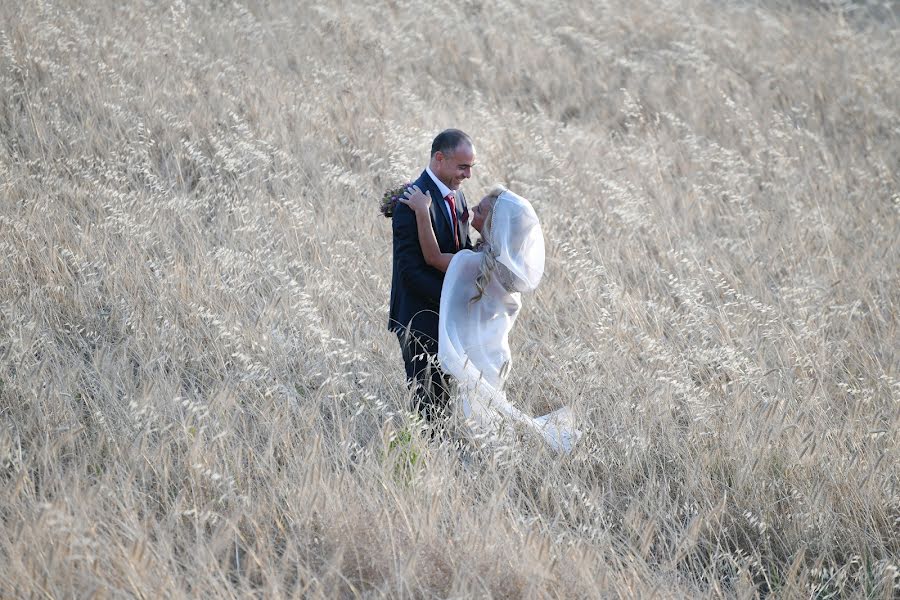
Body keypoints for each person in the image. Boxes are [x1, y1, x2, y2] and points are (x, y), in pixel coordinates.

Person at [400, 185, 579, 453]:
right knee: (490, 417)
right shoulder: (509, 270)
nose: (472, 210)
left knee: (479, 422)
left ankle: (494, 462)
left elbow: (433, 257)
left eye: (480, 210)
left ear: (494, 223)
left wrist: (423, 211)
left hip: (477, 356)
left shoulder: (477, 264)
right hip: (496, 354)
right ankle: (503, 459)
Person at [388, 129, 475, 424]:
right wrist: (452, 299)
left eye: (470, 167)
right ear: (440, 158)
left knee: (445, 401)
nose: (467, 175)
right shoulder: (410, 201)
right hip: (419, 319)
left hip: (449, 321)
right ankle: (422, 459)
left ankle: (442, 459)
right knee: (426, 403)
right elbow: (409, 272)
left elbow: (461, 254)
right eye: (463, 167)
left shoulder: (458, 198)